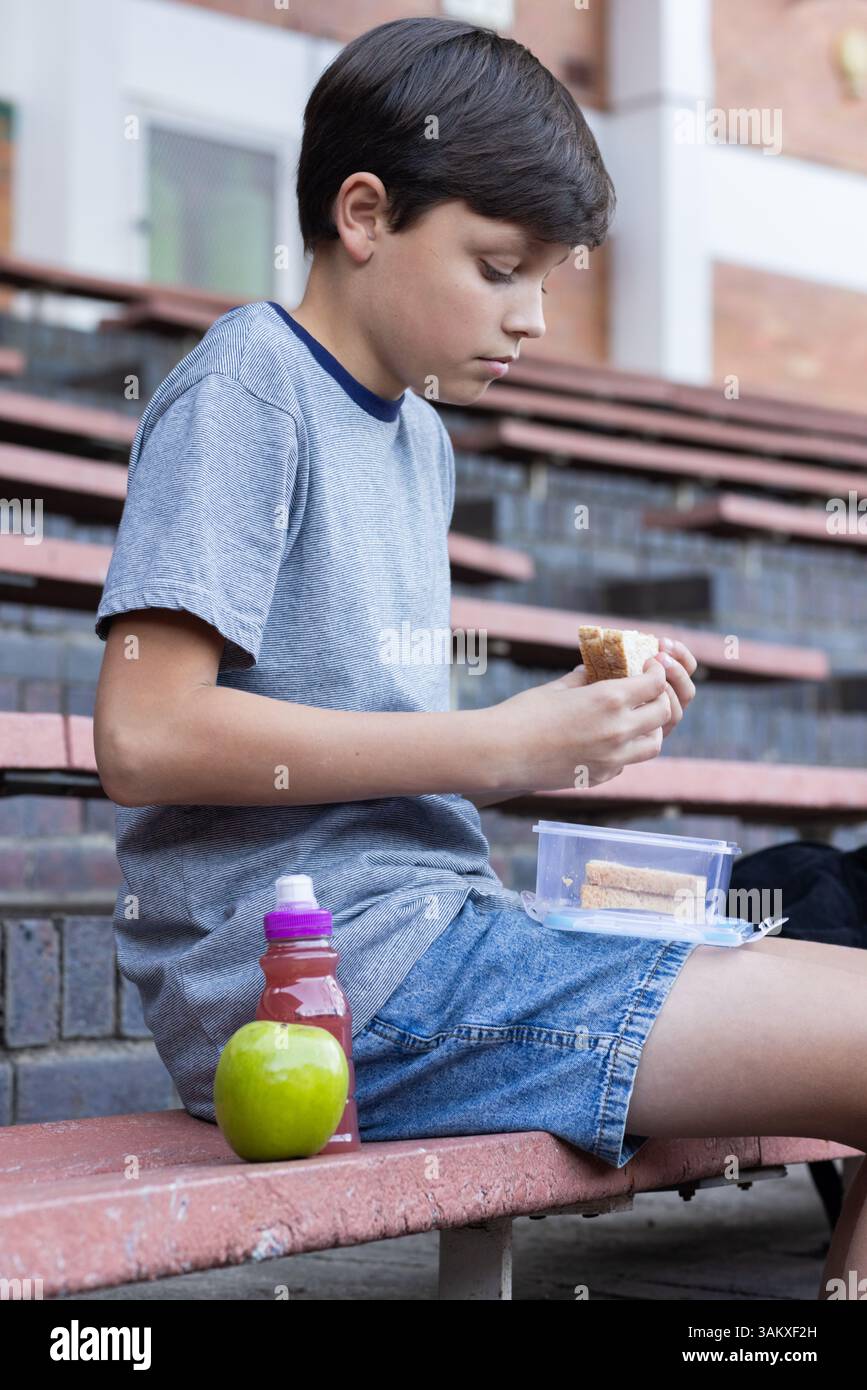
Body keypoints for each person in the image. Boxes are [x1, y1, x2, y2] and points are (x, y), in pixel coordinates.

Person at [92, 17, 866, 1299]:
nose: (536, 317)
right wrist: (497, 742)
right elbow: (145, 736)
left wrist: (558, 732)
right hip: (316, 984)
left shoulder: (419, 440)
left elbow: (382, 750)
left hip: (445, 938)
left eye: (550, 280)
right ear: (364, 215)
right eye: (502, 267)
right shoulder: (248, 388)